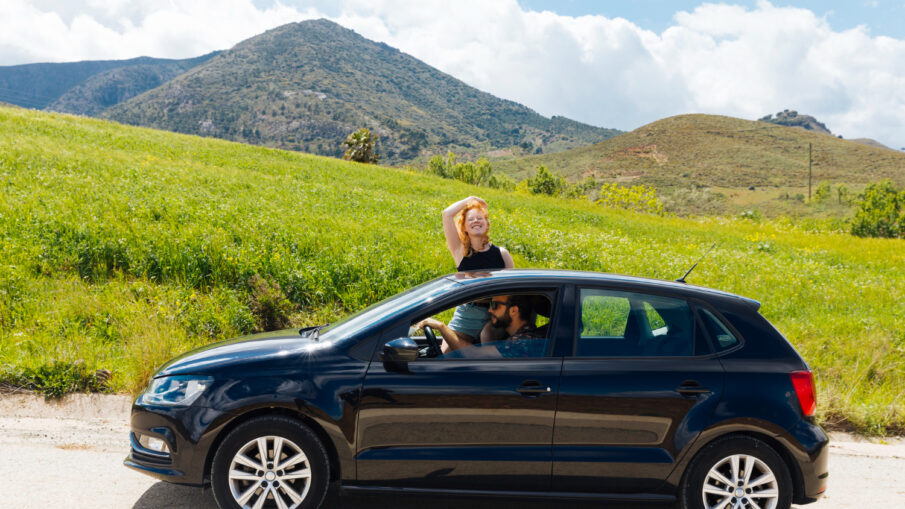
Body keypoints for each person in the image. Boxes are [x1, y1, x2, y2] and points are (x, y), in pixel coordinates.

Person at [439, 196, 514, 347]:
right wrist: (470, 199)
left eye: (480, 218)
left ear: (487, 225)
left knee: (486, 353)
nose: (475, 221)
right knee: (446, 355)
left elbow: (514, 292)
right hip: (466, 313)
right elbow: (447, 214)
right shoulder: (460, 251)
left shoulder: (502, 253)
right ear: (464, 227)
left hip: (494, 315)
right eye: (471, 219)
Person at [416, 294, 544, 358]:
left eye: (495, 305)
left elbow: (474, 355)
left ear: (514, 311)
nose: (489, 311)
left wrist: (441, 327)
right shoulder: (525, 337)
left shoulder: (522, 342)